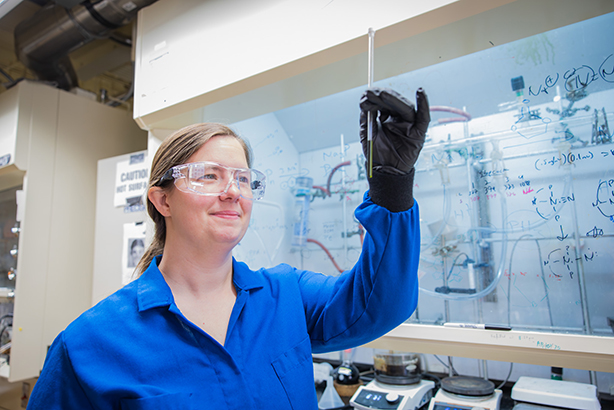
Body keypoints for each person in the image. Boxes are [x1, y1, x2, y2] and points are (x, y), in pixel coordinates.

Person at [27, 87, 430, 409]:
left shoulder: (286, 296)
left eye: (242, 178)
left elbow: (381, 304)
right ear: (162, 201)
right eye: (208, 176)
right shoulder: (89, 346)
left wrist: (392, 186)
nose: (232, 192)